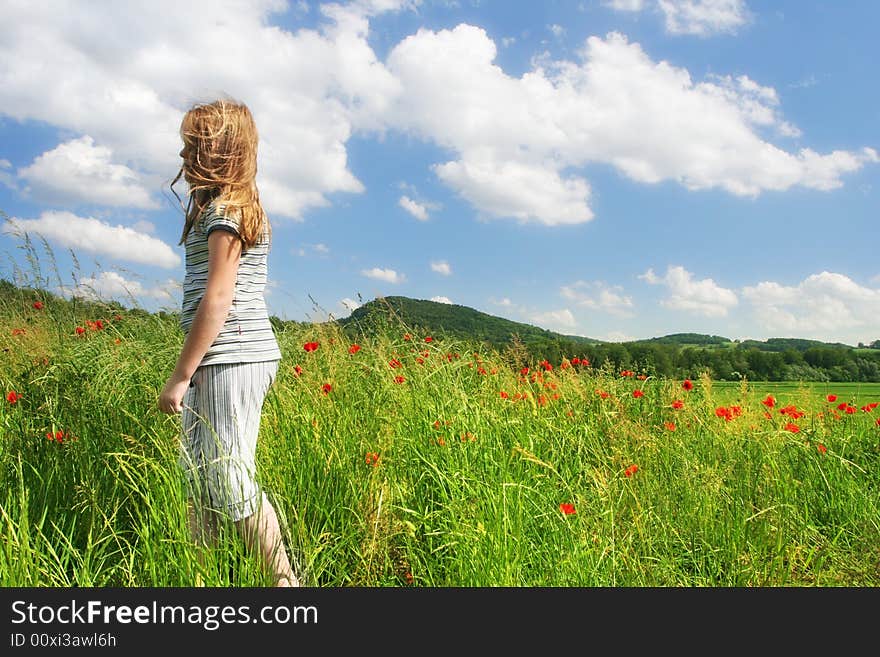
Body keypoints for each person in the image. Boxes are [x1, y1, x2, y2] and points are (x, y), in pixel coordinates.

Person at [159, 98, 299, 587]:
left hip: (232, 355)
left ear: (220, 148)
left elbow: (217, 299)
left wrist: (180, 375)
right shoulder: (217, 206)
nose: (184, 153)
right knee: (197, 481)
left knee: (228, 477)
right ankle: (199, 583)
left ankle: (286, 588)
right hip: (216, 358)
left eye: (193, 143)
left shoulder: (229, 208)